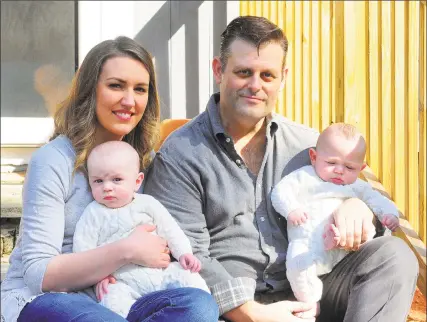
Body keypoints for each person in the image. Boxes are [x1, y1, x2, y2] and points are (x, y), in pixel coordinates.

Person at [143, 16, 419, 322]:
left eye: (268, 75)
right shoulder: (179, 154)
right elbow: (188, 254)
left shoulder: (309, 146)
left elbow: (364, 211)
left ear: (283, 78)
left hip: (313, 290)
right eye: (244, 72)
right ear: (219, 71)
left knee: (395, 257)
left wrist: (358, 208)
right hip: (232, 308)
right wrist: (253, 314)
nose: (255, 86)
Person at [0, 36, 218, 322]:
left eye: (140, 89)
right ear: (90, 90)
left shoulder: (145, 160)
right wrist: (126, 251)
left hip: (123, 296)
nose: (129, 101)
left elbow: (166, 234)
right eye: (116, 85)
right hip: (51, 300)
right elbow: (38, 273)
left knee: (199, 306)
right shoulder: (54, 160)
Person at [270, 122, 400, 314]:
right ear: (314, 158)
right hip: (309, 246)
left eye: (349, 167)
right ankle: (309, 302)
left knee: (367, 230)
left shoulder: (357, 187)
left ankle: (336, 239)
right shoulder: (305, 178)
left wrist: (389, 215)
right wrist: (291, 209)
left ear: (361, 168)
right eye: (331, 163)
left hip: (347, 250)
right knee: (297, 263)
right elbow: (280, 192)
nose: (340, 171)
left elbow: (378, 200)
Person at [73, 141, 211, 318]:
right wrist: (98, 278)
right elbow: (83, 249)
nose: (107, 187)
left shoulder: (148, 204)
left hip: (161, 273)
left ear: (137, 181)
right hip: (122, 281)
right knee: (110, 299)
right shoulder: (93, 213)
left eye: (116, 179)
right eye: (98, 181)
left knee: (189, 277)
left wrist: (184, 253)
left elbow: (170, 230)